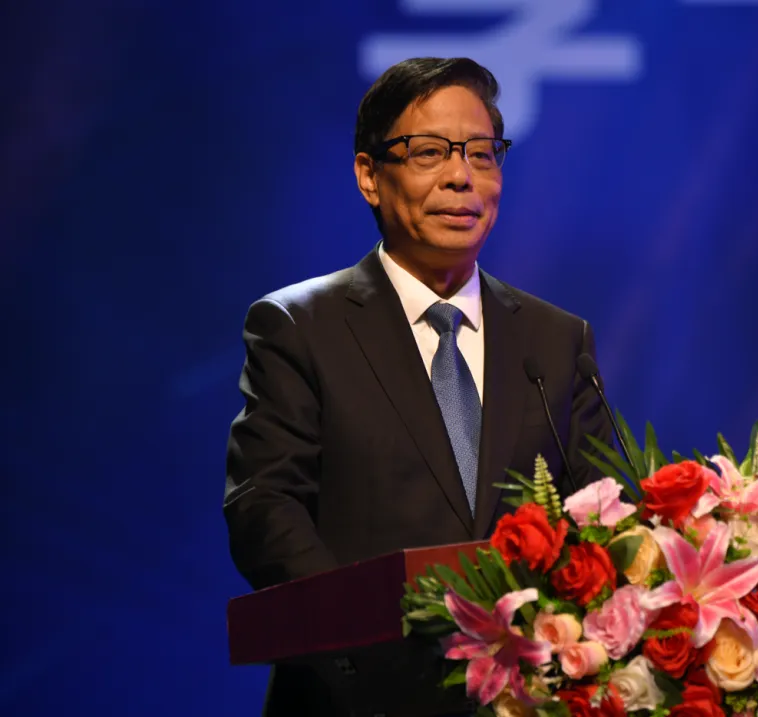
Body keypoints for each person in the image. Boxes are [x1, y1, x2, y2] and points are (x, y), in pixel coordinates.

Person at [223, 57, 613, 716]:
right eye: (430, 152)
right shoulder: (298, 326)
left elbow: (602, 516)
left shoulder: (555, 339)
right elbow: (265, 508)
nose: (462, 176)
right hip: (353, 696)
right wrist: (365, 656)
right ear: (369, 176)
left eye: (482, 154)